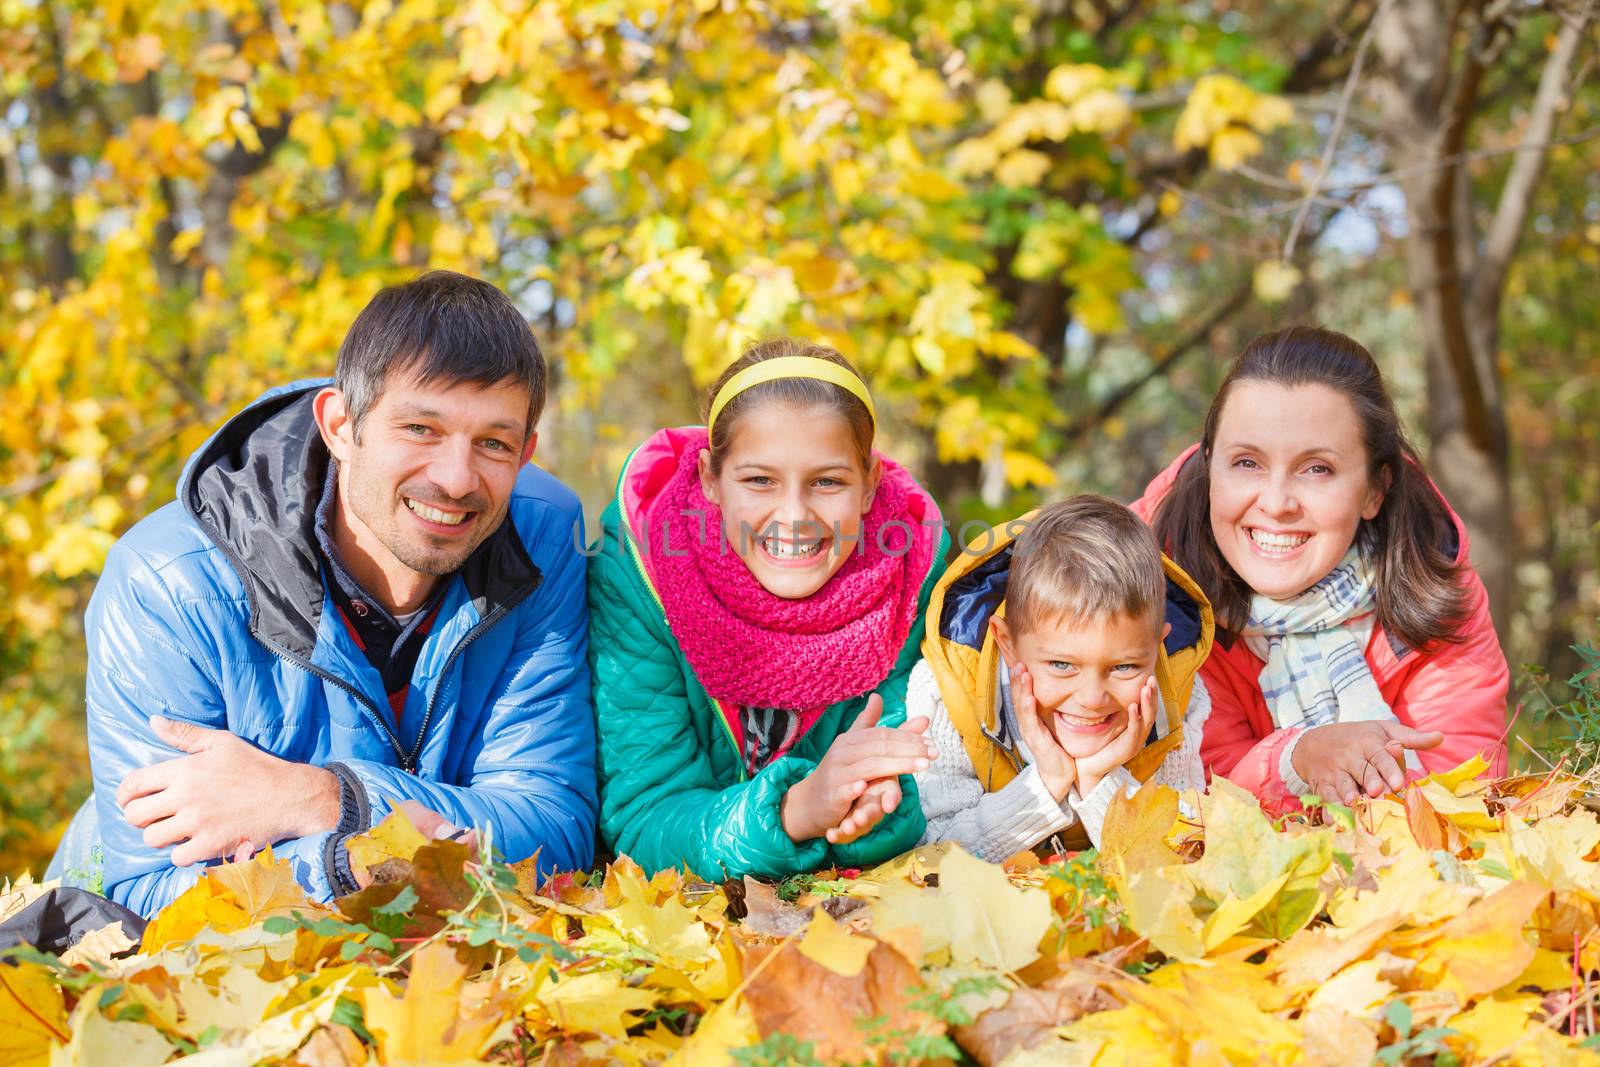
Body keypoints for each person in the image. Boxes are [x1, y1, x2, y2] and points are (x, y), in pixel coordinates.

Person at [48, 270, 598, 916]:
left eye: (493, 443)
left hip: (438, 976)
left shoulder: (541, 535)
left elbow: (555, 830)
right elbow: (148, 893)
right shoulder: (170, 580)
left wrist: (329, 800)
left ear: (526, 453)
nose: (455, 478)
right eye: (420, 428)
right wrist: (349, 860)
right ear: (340, 424)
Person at [588, 339, 948, 879]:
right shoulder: (639, 577)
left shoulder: (908, 582)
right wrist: (794, 813)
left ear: (870, 485)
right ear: (711, 478)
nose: (794, 515)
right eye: (760, 480)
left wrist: (870, 814)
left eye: (827, 482)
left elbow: (921, 795)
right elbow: (643, 818)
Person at [1132, 325, 1509, 811]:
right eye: (1247, 462)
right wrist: (1297, 759)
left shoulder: (1433, 584)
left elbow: (1461, 788)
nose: (1276, 503)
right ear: (1210, 467)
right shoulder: (1149, 588)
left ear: (1375, 489)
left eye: (1317, 469)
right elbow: (1181, 796)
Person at [912, 496, 1215, 860]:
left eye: (1123, 667)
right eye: (1061, 665)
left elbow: (1184, 858)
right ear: (1007, 643)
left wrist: (1098, 781)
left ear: (1156, 646)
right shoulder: (950, 691)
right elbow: (933, 852)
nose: (1091, 698)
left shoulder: (1175, 693)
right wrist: (1046, 783)